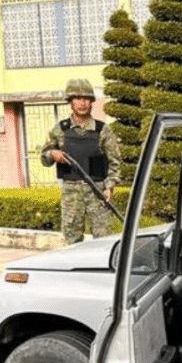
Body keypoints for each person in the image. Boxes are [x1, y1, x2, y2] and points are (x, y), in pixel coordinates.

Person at [40, 78, 121, 244]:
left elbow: (115, 162)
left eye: (86, 99)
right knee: (72, 240)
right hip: (71, 194)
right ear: (70, 102)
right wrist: (52, 154)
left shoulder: (102, 130)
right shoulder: (60, 130)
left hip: (97, 192)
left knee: (104, 239)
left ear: (91, 102)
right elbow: (44, 157)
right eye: (77, 99)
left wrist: (110, 186)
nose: (82, 103)